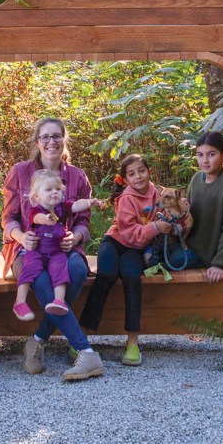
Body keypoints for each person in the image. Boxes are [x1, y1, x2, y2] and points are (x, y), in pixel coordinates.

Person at [1, 117, 105, 380]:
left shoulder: (77, 176)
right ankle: (85, 351)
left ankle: (36, 340)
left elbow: (83, 221)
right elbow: (8, 218)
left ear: (64, 139)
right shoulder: (20, 172)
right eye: (45, 137)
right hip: (28, 247)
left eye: (57, 136)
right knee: (42, 278)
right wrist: (22, 237)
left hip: (62, 246)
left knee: (77, 271)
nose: (51, 142)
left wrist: (77, 237)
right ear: (37, 141)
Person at [79, 154, 170, 366]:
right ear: (125, 179)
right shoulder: (126, 198)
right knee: (106, 275)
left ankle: (132, 342)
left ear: (149, 172)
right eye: (131, 174)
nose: (138, 177)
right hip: (116, 242)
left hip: (135, 249)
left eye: (141, 171)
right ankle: (81, 338)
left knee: (131, 276)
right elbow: (128, 233)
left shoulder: (156, 193)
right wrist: (155, 227)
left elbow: (166, 212)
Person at [12, 169, 102, 321]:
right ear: (37, 196)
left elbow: (76, 205)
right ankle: (19, 301)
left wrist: (89, 202)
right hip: (37, 251)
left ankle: (59, 301)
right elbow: (36, 218)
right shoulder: (36, 210)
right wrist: (45, 219)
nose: (54, 192)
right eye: (48, 189)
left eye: (58, 189)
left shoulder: (62, 207)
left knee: (60, 272)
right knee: (29, 269)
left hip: (57, 251)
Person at [166, 131, 223, 283]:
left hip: (205, 252)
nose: (205, 160)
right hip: (187, 242)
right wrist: (183, 209)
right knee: (149, 250)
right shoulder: (196, 179)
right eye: (200, 155)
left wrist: (219, 263)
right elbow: (188, 216)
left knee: (163, 260)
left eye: (211, 154)